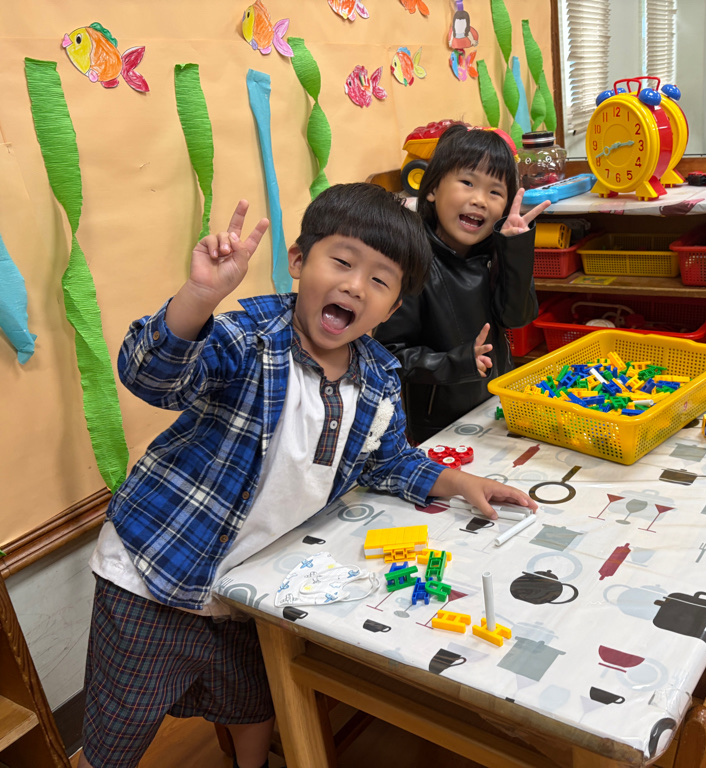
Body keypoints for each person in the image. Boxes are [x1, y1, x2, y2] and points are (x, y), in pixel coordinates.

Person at [79, 184, 537, 768]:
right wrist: (198, 297)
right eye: (342, 262)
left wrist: (459, 483)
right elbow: (151, 375)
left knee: (253, 701)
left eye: (380, 280)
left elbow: (386, 460)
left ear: (392, 308)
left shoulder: (377, 377)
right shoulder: (249, 341)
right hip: (154, 570)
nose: (355, 286)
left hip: (250, 582)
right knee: (119, 729)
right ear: (298, 261)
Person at [376, 124, 551, 444]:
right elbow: (390, 357)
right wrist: (457, 364)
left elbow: (517, 317)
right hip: (439, 426)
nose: (479, 200)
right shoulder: (412, 262)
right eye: (467, 183)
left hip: (496, 407)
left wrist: (515, 250)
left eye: (495, 192)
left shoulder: (494, 252)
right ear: (432, 189)